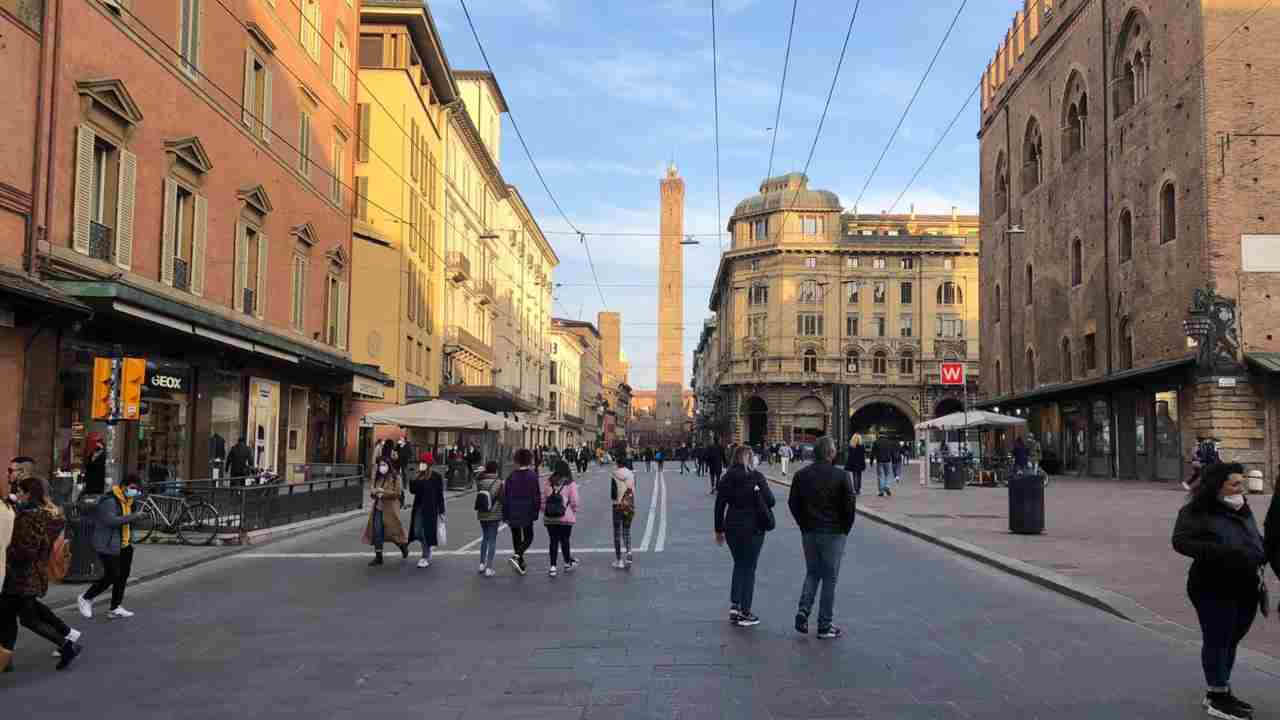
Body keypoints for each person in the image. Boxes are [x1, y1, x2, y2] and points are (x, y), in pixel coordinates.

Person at [1173, 463, 1264, 720]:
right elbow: (1180, 541)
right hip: (1212, 584)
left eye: (1241, 482)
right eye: (1234, 484)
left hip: (1245, 584)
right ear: (1217, 487)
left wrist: (1262, 551)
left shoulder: (1241, 506)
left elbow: (1252, 535)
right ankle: (1217, 695)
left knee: (1232, 637)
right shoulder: (1196, 511)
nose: (1241, 488)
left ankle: (1221, 688)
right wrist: (1220, 552)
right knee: (1218, 638)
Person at [1, 476, 82, 671]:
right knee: (8, 617)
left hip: (22, 576)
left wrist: (8, 551)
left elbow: (27, 549)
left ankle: (67, 645)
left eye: (20, 491)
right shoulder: (37, 513)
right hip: (26, 576)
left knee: (27, 619)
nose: (17, 494)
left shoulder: (30, 516)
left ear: (28, 494)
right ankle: (6, 659)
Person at [788, 437, 856, 640]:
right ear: (831, 453)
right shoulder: (842, 476)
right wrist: (844, 529)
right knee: (829, 578)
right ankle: (824, 625)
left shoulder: (801, 475)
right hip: (834, 533)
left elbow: (793, 503)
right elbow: (850, 508)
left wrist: (803, 524)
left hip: (809, 531)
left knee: (812, 572)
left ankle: (803, 610)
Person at [714, 446, 775, 628]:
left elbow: (719, 506)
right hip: (753, 528)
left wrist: (719, 530)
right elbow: (771, 501)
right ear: (749, 458)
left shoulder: (726, 478)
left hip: (732, 526)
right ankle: (745, 612)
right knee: (749, 568)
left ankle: (735, 605)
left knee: (739, 564)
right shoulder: (756, 476)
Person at [78, 475, 148, 620]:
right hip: (108, 544)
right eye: (132, 488)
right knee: (112, 575)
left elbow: (128, 521)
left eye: (137, 489)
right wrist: (135, 516)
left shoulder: (129, 501)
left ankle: (115, 607)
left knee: (122, 577)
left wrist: (137, 519)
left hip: (124, 544)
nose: (135, 492)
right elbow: (111, 521)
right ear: (123, 486)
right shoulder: (109, 500)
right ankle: (86, 598)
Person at [361, 462, 409, 567]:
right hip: (378, 508)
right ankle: (379, 557)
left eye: (384, 464)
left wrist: (384, 492)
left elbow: (397, 493)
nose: (381, 467)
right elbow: (372, 493)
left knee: (392, 532)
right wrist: (374, 492)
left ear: (388, 465)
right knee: (377, 531)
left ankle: (402, 546)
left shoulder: (396, 477)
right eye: (380, 465)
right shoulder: (379, 478)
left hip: (390, 509)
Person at [503, 449, 541, 576]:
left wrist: (505, 513)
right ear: (529, 460)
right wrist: (536, 510)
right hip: (527, 509)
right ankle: (518, 556)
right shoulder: (532, 476)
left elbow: (506, 496)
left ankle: (520, 562)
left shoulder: (511, 476)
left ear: (517, 460)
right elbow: (536, 496)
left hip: (513, 509)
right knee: (529, 536)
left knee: (516, 536)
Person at [541, 461, 580, 577]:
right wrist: (572, 511)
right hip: (565, 517)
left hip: (550, 518)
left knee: (553, 541)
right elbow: (575, 501)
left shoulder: (548, 482)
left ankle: (553, 567)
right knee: (565, 540)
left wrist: (546, 511)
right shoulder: (570, 483)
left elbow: (543, 500)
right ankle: (567, 563)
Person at [408, 458, 446, 569]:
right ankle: (427, 547)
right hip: (419, 507)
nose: (421, 464)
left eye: (423, 463)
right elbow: (413, 491)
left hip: (431, 509)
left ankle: (425, 556)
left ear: (429, 464)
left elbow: (440, 495)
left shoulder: (436, 477)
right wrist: (412, 479)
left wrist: (442, 510)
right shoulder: (418, 475)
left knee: (425, 532)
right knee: (417, 531)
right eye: (420, 462)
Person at [474, 461, 503, 577]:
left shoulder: (480, 481)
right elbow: (501, 499)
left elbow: (476, 478)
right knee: (492, 540)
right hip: (494, 514)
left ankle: (481, 563)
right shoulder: (499, 482)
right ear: (496, 470)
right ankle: (489, 567)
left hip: (482, 512)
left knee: (485, 538)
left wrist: (481, 472)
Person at [610, 459, 637, 569]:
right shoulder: (631, 475)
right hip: (629, 505)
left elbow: (613, 494)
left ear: (618, 463)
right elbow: (633, 490)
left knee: (617, 533)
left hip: (617, 506)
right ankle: (629, 553)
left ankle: (619, 560)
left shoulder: (614, 474)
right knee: (627, 531)